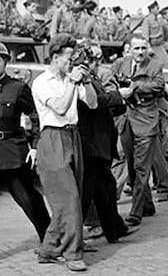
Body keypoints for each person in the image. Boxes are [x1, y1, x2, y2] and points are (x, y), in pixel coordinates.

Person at [32, 34, 97, 272]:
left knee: (70, 200)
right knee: (69, 200)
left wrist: (86, 81)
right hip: (52, 138)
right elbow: (59, 108)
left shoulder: (70, 79)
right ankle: (73, 253)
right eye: (70, 57)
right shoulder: (42, 82)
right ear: (55, 56)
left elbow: (92, 104)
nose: (73, 61)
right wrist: (72, 83)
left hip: (73, 137)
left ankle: (49, 249)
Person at [76, 40, 139, 243]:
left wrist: (120, 99)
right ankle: (71, 236)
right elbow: (94, 104)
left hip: (98, 142)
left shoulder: (92, 77)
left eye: (99, 58)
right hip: (90, 142)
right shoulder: (81, 79)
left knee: (105, 188)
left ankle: (114, 229)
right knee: (87, 194)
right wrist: (118, 96)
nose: (97, 63)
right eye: (94, 59)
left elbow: (104, 105)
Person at [110, 33, 165, 227]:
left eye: (143, 48)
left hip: (146, 121)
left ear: (148, 48)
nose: (140, 52)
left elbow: (158, 86)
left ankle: (136, 211)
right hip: (126, 121)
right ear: (130, 49)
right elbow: (112, 80)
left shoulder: (154, 65)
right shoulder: (121, 64)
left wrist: (135, 87)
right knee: (132, 165)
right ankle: (147, 204)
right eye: (136, 48)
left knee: (142, 168)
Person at [0, 42, 51, 243]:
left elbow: (36, 116)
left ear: (5, 62)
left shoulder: (18, 88)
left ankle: (50, 241)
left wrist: (36, 146)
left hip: (11, 151)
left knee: (29, 200)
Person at [142, 0, 168, 65]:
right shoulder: (147, 20)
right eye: (157, 8)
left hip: (160, 45)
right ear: (152, 10)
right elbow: (145, 36)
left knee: (167, 62)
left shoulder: (158, 20)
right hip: (153, 46)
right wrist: (148, 48)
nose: (158, 10)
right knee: (158, 64)